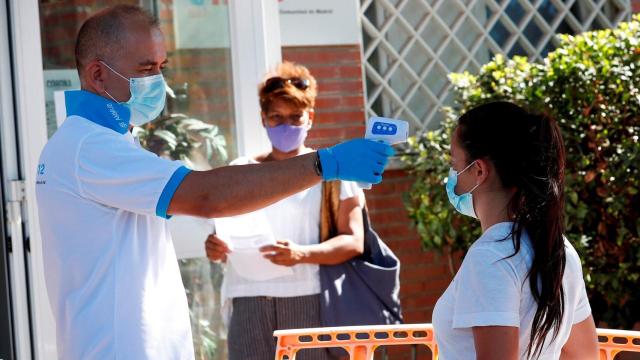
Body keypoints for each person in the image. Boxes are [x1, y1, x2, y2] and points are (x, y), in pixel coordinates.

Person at [34, 6, 393, 360]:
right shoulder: (90, 146)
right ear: (97, 75)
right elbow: (206, 196)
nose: (158, 81)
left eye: (162, 68)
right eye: (146, 69)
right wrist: (325, 163)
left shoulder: (107, 141)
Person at [204, 62, 365, 360]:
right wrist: (215, 248)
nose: (285, 127)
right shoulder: (240, 171)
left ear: (310, 118)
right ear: (263, 119)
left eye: (294, 118)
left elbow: (354, 241)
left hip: (309, 300)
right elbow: (221, 237)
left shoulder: (334, 172)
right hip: (248, 301)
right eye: (276, 118)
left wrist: (302, 253)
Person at [432, 101, 599, 360]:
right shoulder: (560, 248)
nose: (452, 176)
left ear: (479, 170)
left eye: (455, 163)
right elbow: (584, 355)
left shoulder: (490, 256)